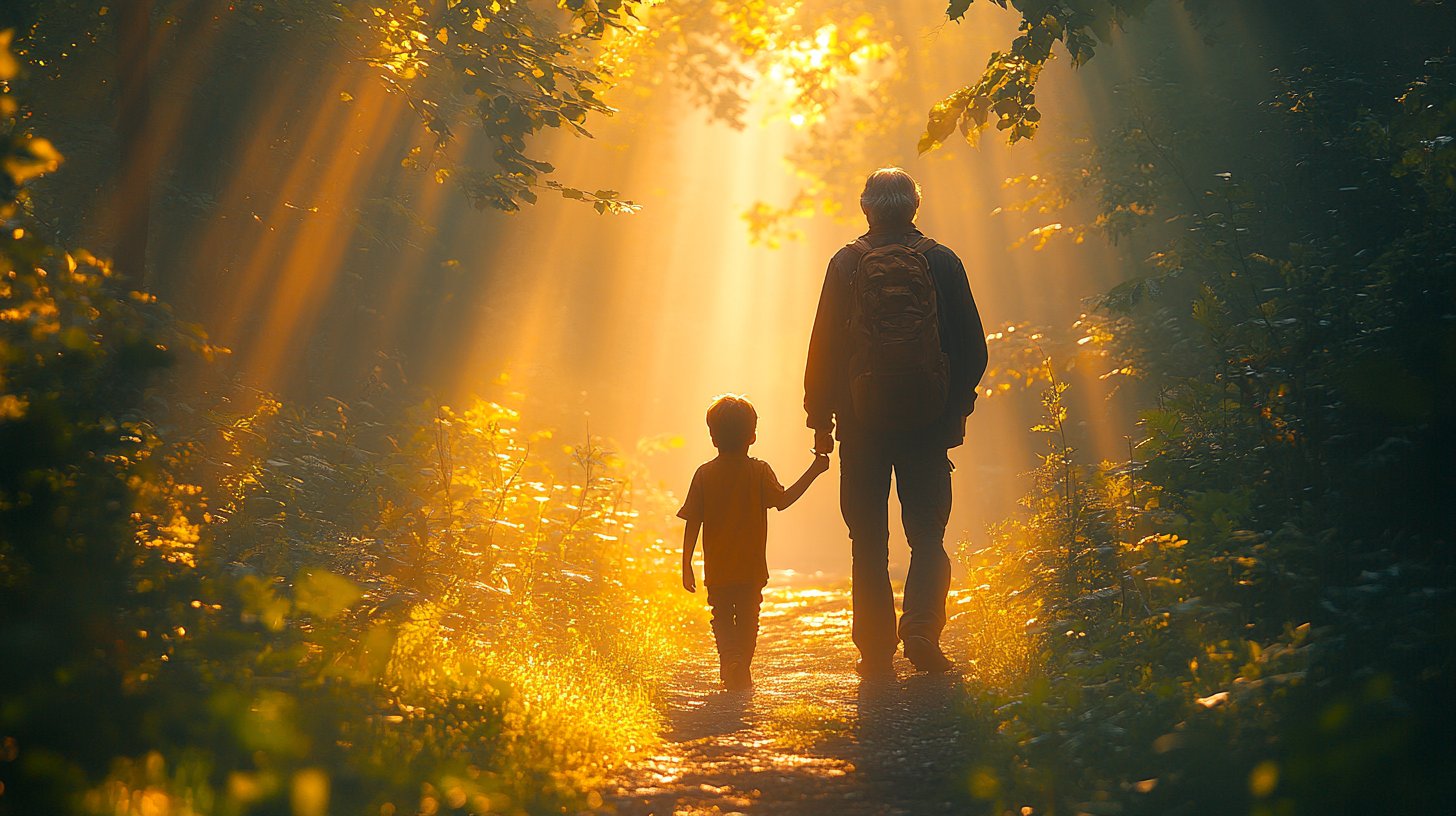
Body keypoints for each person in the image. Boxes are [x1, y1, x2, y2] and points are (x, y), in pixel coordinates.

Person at [803, 167, 988, 679]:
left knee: (868, 539)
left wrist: (820, 418)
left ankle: (876, 649)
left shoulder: (846, 264)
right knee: (928, 536)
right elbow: (973, 348)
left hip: (860, 425)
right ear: (914, 208)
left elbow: (823, 349)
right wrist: (956, 406)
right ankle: (922, 630)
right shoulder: (942, 262)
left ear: (866, 207)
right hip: (928, 423)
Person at [679, 394, 831, 690]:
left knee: (721, 616)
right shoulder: (759, 471)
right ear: (752, 436)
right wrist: (814, 470)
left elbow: (693, 521)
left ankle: (730, 661)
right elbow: (784, 501)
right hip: (750, 569)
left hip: (719, 568)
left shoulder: (704, 474)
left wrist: (686, 563)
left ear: (713, 437)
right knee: (749, 617)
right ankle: (741, 666)